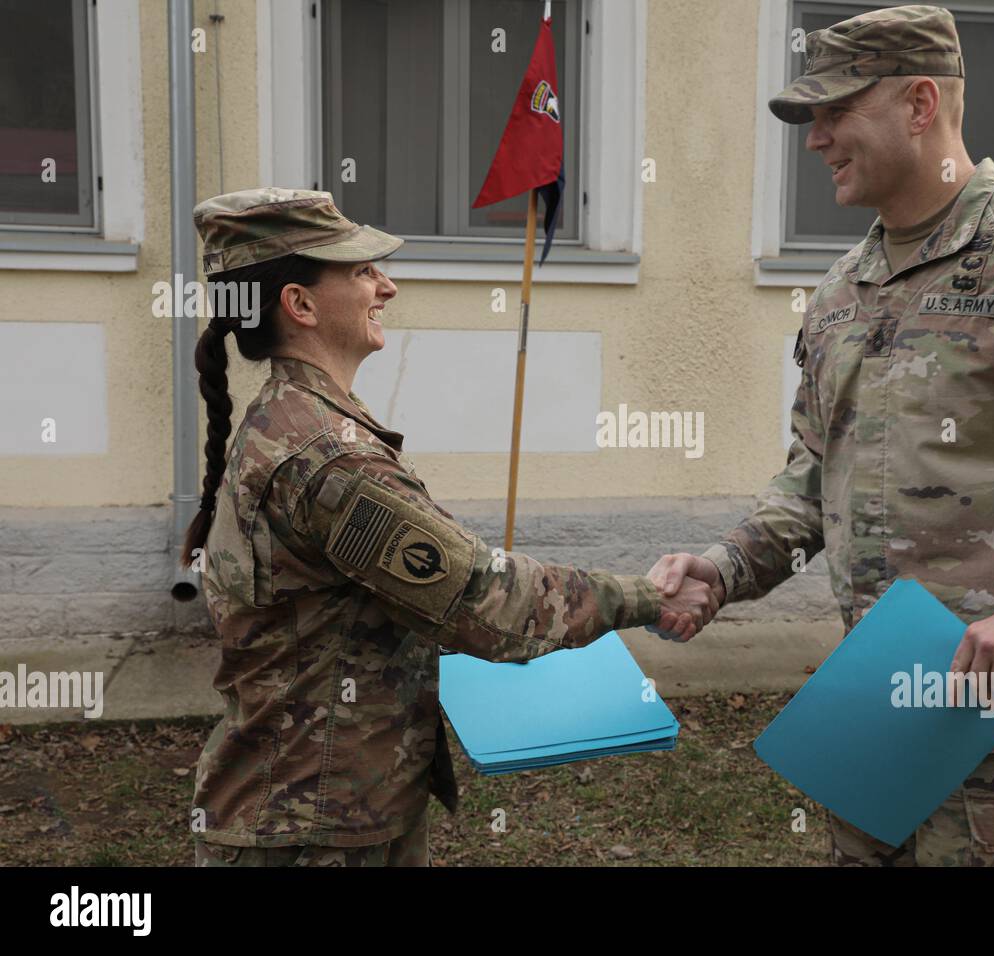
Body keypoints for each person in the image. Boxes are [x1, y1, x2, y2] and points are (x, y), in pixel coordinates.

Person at [650, 5, 994, 866]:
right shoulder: (845, 288)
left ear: (920, 104)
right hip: (882, 706)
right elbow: (817, 470)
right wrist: (724, 569)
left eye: (836, 111)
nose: (817, 138)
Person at [184, 187, 717, 866]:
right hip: (311, 826)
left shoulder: (291, 419)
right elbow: (482, 598)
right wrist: (647, 595)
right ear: (301, 304)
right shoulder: (329, 457)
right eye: (360, 271)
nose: (388, 285)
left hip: (306, 807)